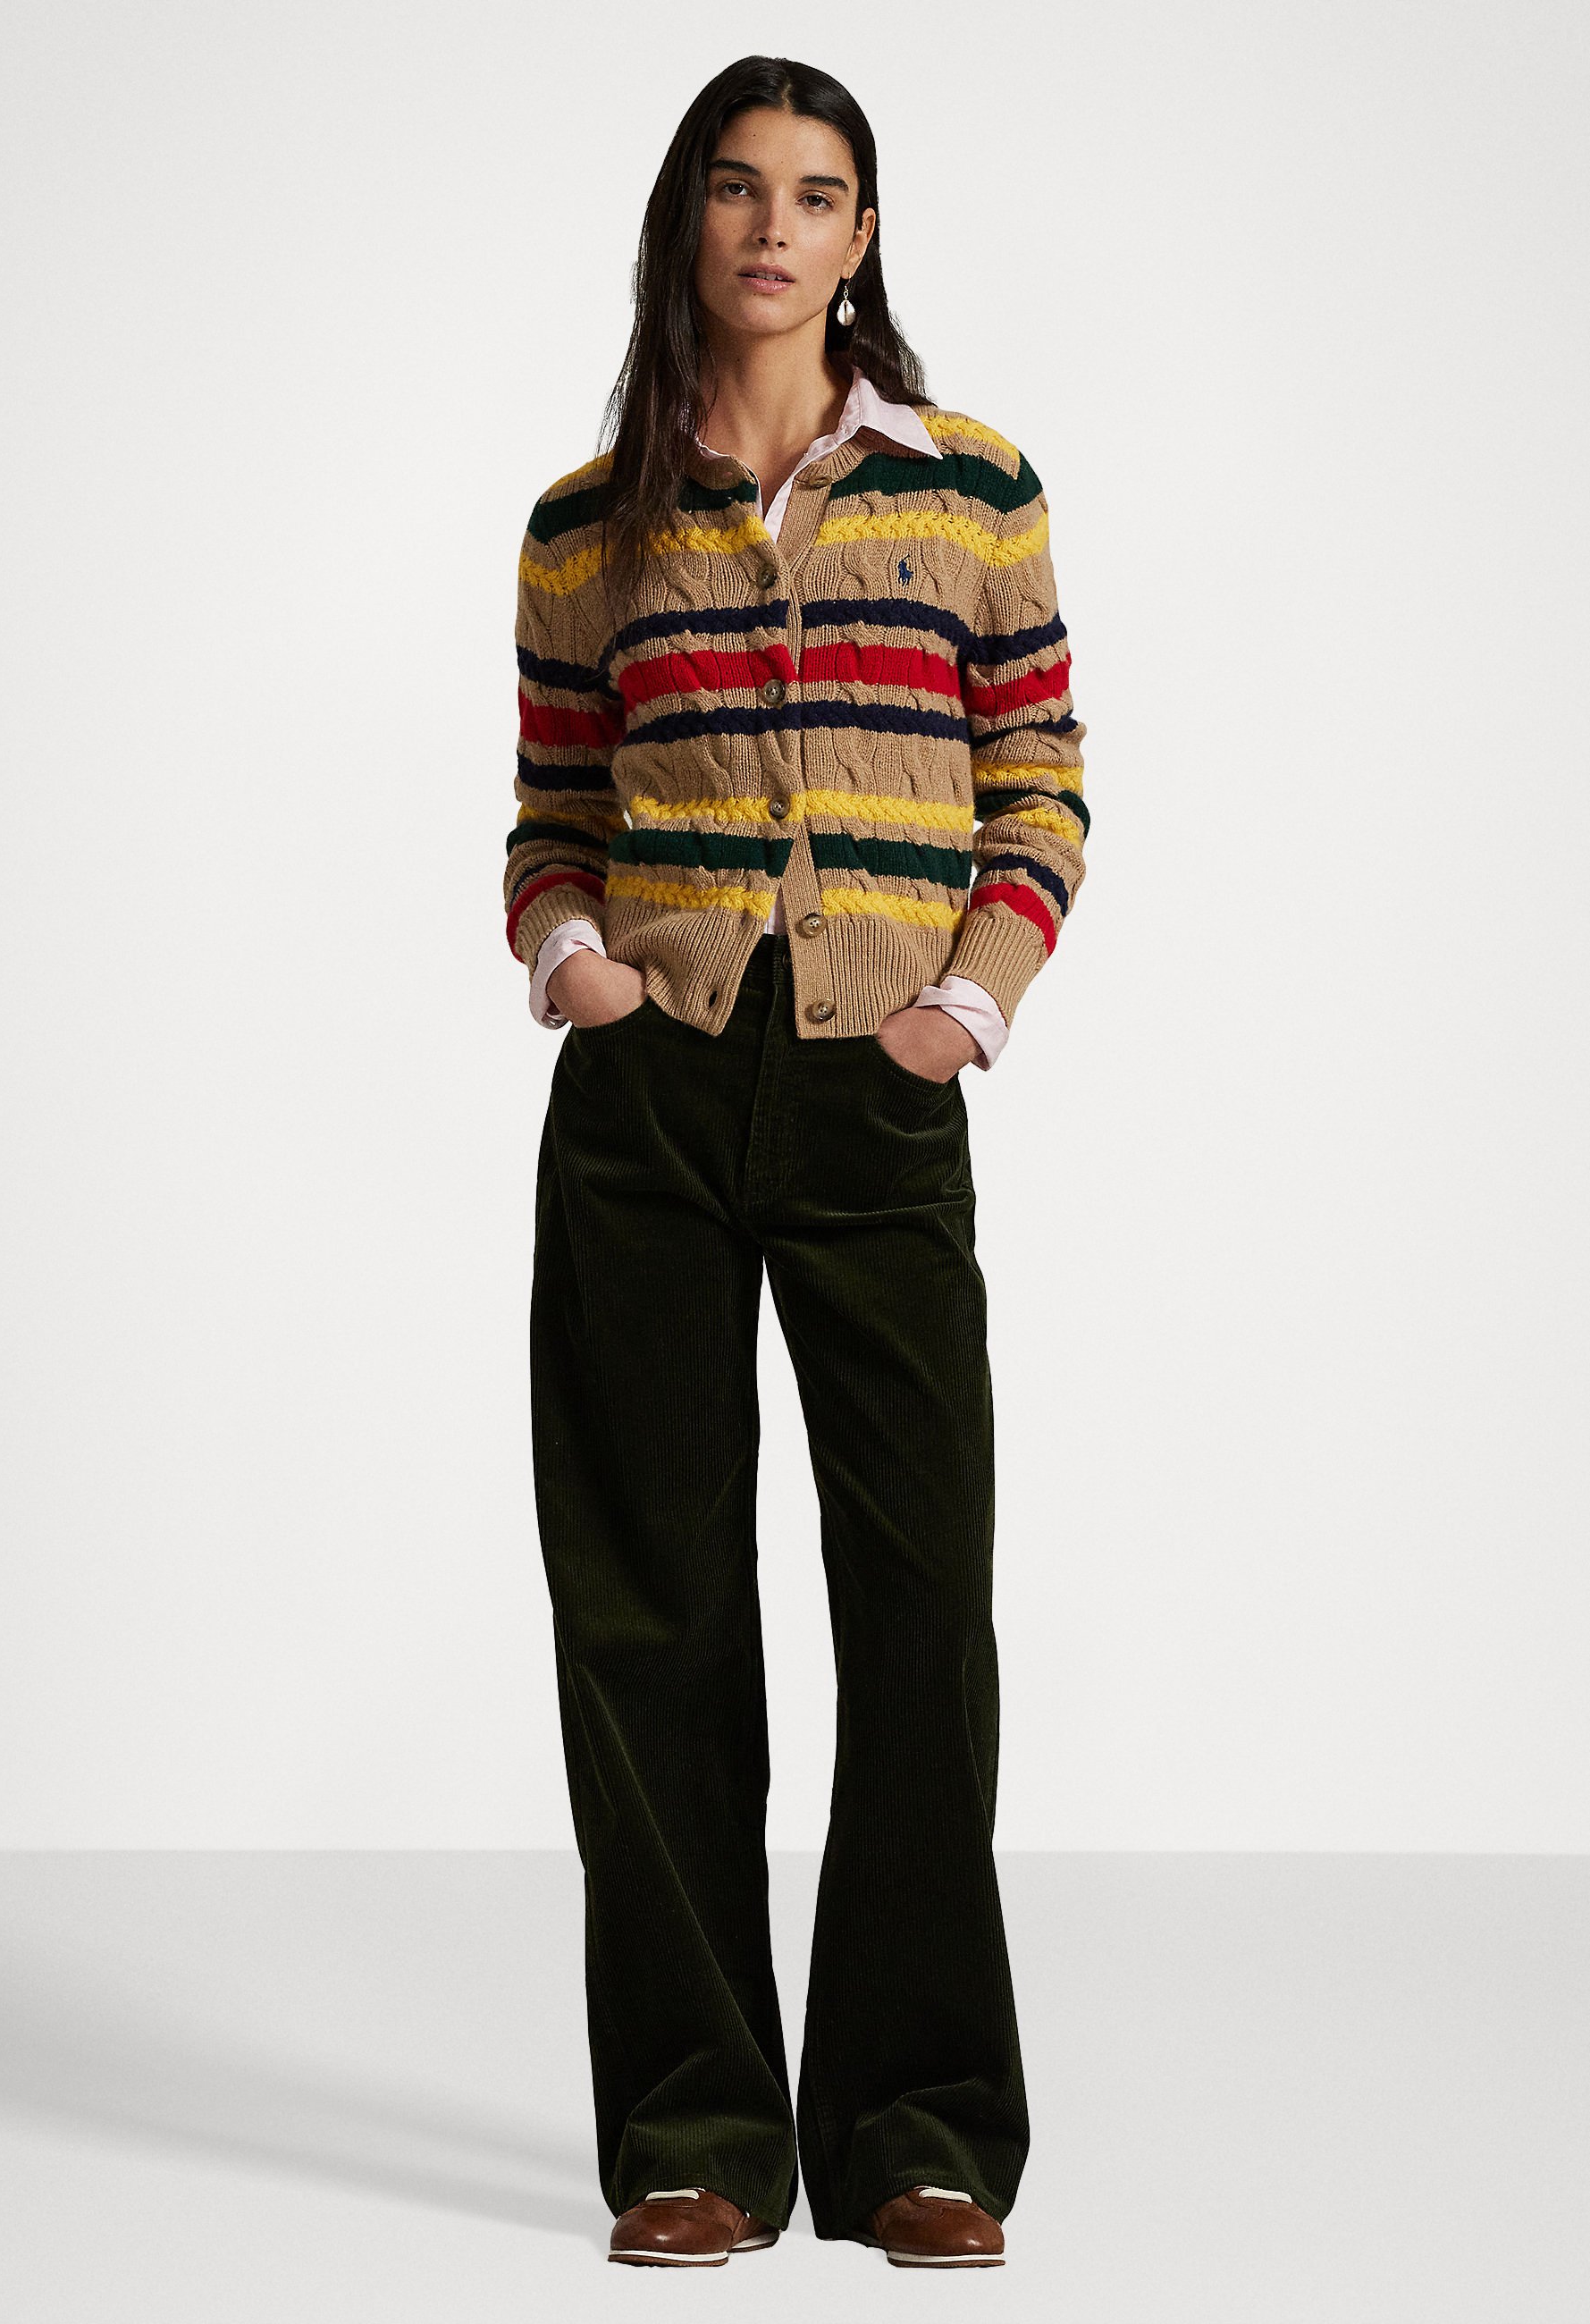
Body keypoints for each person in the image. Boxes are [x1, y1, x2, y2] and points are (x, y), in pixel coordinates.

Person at [504, 53, 1089, 2270]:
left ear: (862, 235)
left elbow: (1039, 775)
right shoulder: (589, 520)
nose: (773, 225)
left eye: (817, 192)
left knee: (919, 1603)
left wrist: (968, 1004)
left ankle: (919, 2123)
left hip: (876, 1088)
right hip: (647, 1095)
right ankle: (696, 2129)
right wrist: (570, 956)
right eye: (738, 187)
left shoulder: (970, 487)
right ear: (689, 218)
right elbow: (551, 808)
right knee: (648, 1608)